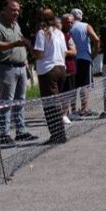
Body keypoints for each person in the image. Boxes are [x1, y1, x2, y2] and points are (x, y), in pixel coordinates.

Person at [0, 0, 35, 143]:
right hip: (6, 67)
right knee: (6, 102)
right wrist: (15, 43)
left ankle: (21, 131)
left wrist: (25, 62)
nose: (16, 13)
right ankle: (5, 134)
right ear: (4, 10)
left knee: (20, 101)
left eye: (18, 10)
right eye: (13, 10)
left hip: (20, 66)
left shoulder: (16, 25)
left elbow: (20, 44)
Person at [32, 8, 74, 144]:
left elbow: (39, 54)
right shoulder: (59, 33)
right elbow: (64, 51)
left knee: (50, 105)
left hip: (48, 70)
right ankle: (59, 134)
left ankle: (57, 135)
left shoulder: (41, 33)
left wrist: (27, 44)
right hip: (61, 68)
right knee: (56, 102)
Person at [68, 7, 100, 116]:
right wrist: (94, 54)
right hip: (85, 58)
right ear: (81, 16)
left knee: (73, 86)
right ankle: (84, 109)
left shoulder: (68, 27)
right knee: (85, 85)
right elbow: (96, 39)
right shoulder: (85, 26)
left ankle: (73, 110)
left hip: (72, 59)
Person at [60, 13, 78, 121]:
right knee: (62, 93)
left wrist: (68, 52)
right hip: (62, 68)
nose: (70, 24)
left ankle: (65, 113)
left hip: (70, 67)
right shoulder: (60, 34)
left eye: (72, 22)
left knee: (69, 92)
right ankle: (62, 114)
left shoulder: (69, 34)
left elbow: (74, 51)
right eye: (68, 22)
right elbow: (71, 51)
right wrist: (67, 52)